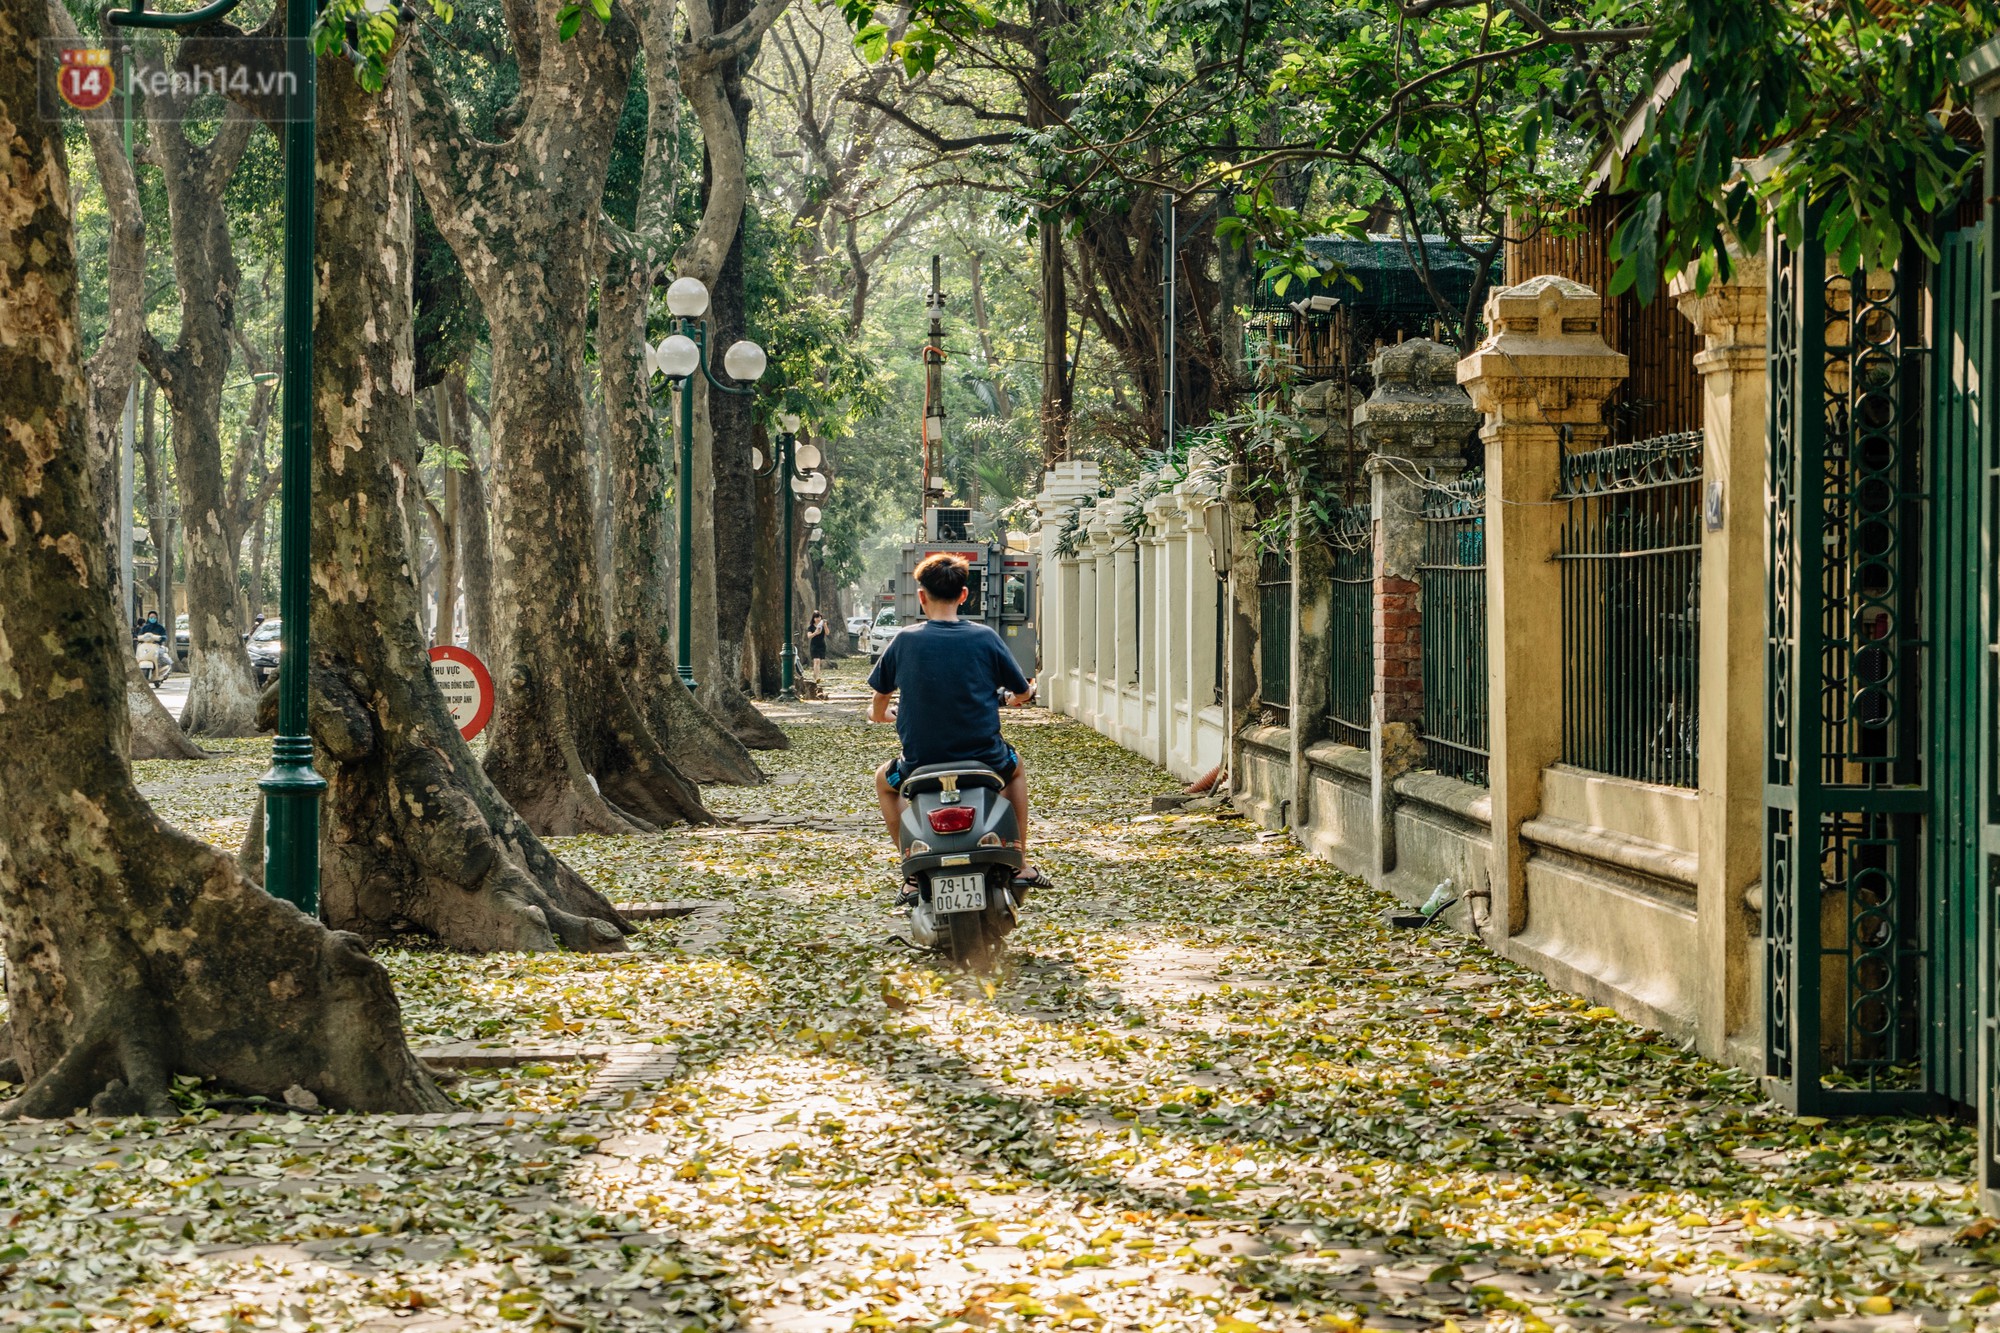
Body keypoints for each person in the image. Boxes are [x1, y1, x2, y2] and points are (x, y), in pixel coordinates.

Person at [868, 553, 1050, 894]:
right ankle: (1020, 862)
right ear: (964, 595)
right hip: (987, 759)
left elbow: (879, 701)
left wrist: (882, 715)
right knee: (1017, 768)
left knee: (883, 781)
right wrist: (1012, 700)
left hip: (918, 764)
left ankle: (910, 870)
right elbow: (1023, 692)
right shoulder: (985, 638)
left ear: (921, 597)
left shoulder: (904, 640)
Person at [806, 611, 829, 683]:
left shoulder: (822, 625)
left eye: (819, 617)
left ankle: (816, 675)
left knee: (819, 662)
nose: (818, 619)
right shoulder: (811, 627)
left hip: (822, 645)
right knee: (816, 661)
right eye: (816, 617)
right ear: (813, 618)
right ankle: (816, 678)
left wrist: (825, 626)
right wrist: (815, 633)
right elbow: (809, 636)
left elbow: (827, 633)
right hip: (814, 645)